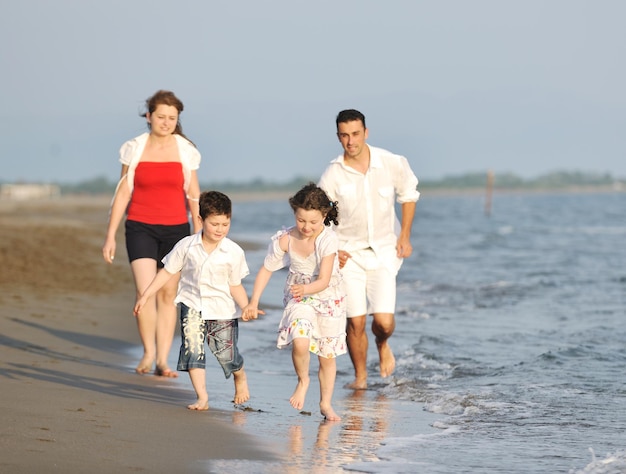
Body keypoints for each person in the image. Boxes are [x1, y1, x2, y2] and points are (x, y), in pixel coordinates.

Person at [102, 90, 201, 377]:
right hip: (139, 226)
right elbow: (123, 193)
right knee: (145, 291)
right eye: (161, 117)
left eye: (172, 118)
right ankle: (148, 353)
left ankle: (163, 361)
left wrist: (198, 235)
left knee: (168, 294)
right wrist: (109, 235)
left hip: (176, 231)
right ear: (149, 116)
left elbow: (194, 195)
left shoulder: (185, 150)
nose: (166, 122)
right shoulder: (133, 148)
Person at [318, 109, 419, 390]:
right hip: (347, 254)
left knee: (384, 322)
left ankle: (383, 343)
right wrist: (331, 250)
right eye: (344, 135)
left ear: (366, 132)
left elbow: (409, 194)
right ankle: (360, 378)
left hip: (385, 252)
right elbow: (320, 217)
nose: (350, 141)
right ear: (338, 137)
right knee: (356, 322)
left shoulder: (391, 162)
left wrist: (406, 236)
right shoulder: (333, 173)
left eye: (355, 134)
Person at [134, 191, 253, 410]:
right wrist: (146, 295)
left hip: (223, 309)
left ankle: (240, 375)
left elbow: (235, 285)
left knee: (226, 354)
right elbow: (166, 272)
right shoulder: (186, 246)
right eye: (214, 224)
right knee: (192, 349)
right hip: (192, 304)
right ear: (200, 220)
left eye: (225, 224)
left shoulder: (233, 252)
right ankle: (202, 397)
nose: (220, 229)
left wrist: (246, 306)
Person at [243, 183, 346, 421]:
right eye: (301, 221)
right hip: (299, 299)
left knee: (326, 356)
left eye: (313, 222)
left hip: (328, 298)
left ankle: (326, 403)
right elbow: (266, 270)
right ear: (294, 214)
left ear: (324, 216)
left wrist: (307, 288)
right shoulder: (285, 239)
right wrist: (253, 301)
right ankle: (303, 380)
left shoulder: (327, 240)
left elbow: (324, 279)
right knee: (300, 342)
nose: (307, 227)